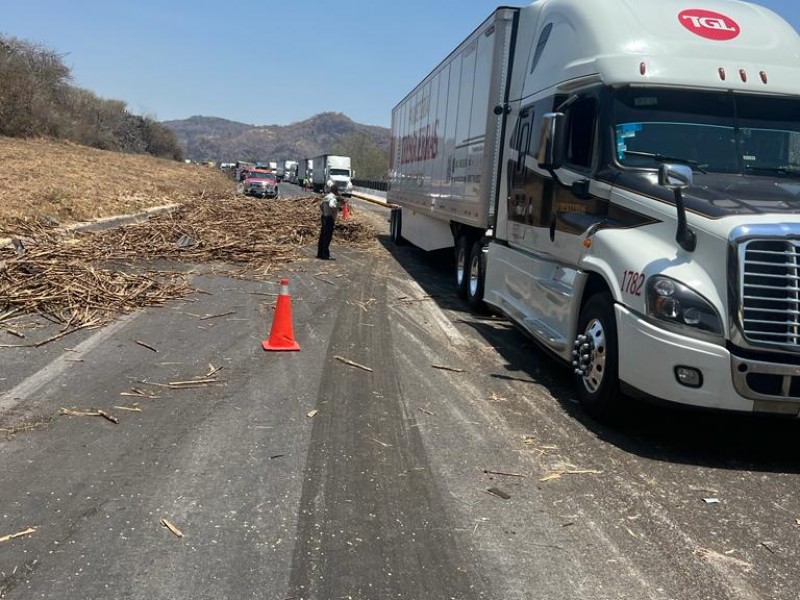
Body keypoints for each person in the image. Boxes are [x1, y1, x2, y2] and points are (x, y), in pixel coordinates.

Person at [317, 184, 341, 260]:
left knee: (322, 236)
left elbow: (320, 205)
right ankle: (325, 255)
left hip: (324, 217)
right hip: (329, 218)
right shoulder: (333, 199)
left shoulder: (326, 197)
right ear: (336, 191)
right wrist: (334, 211)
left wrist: (324, 211)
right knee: (327, 237)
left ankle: (320, 253)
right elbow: (331, 205)